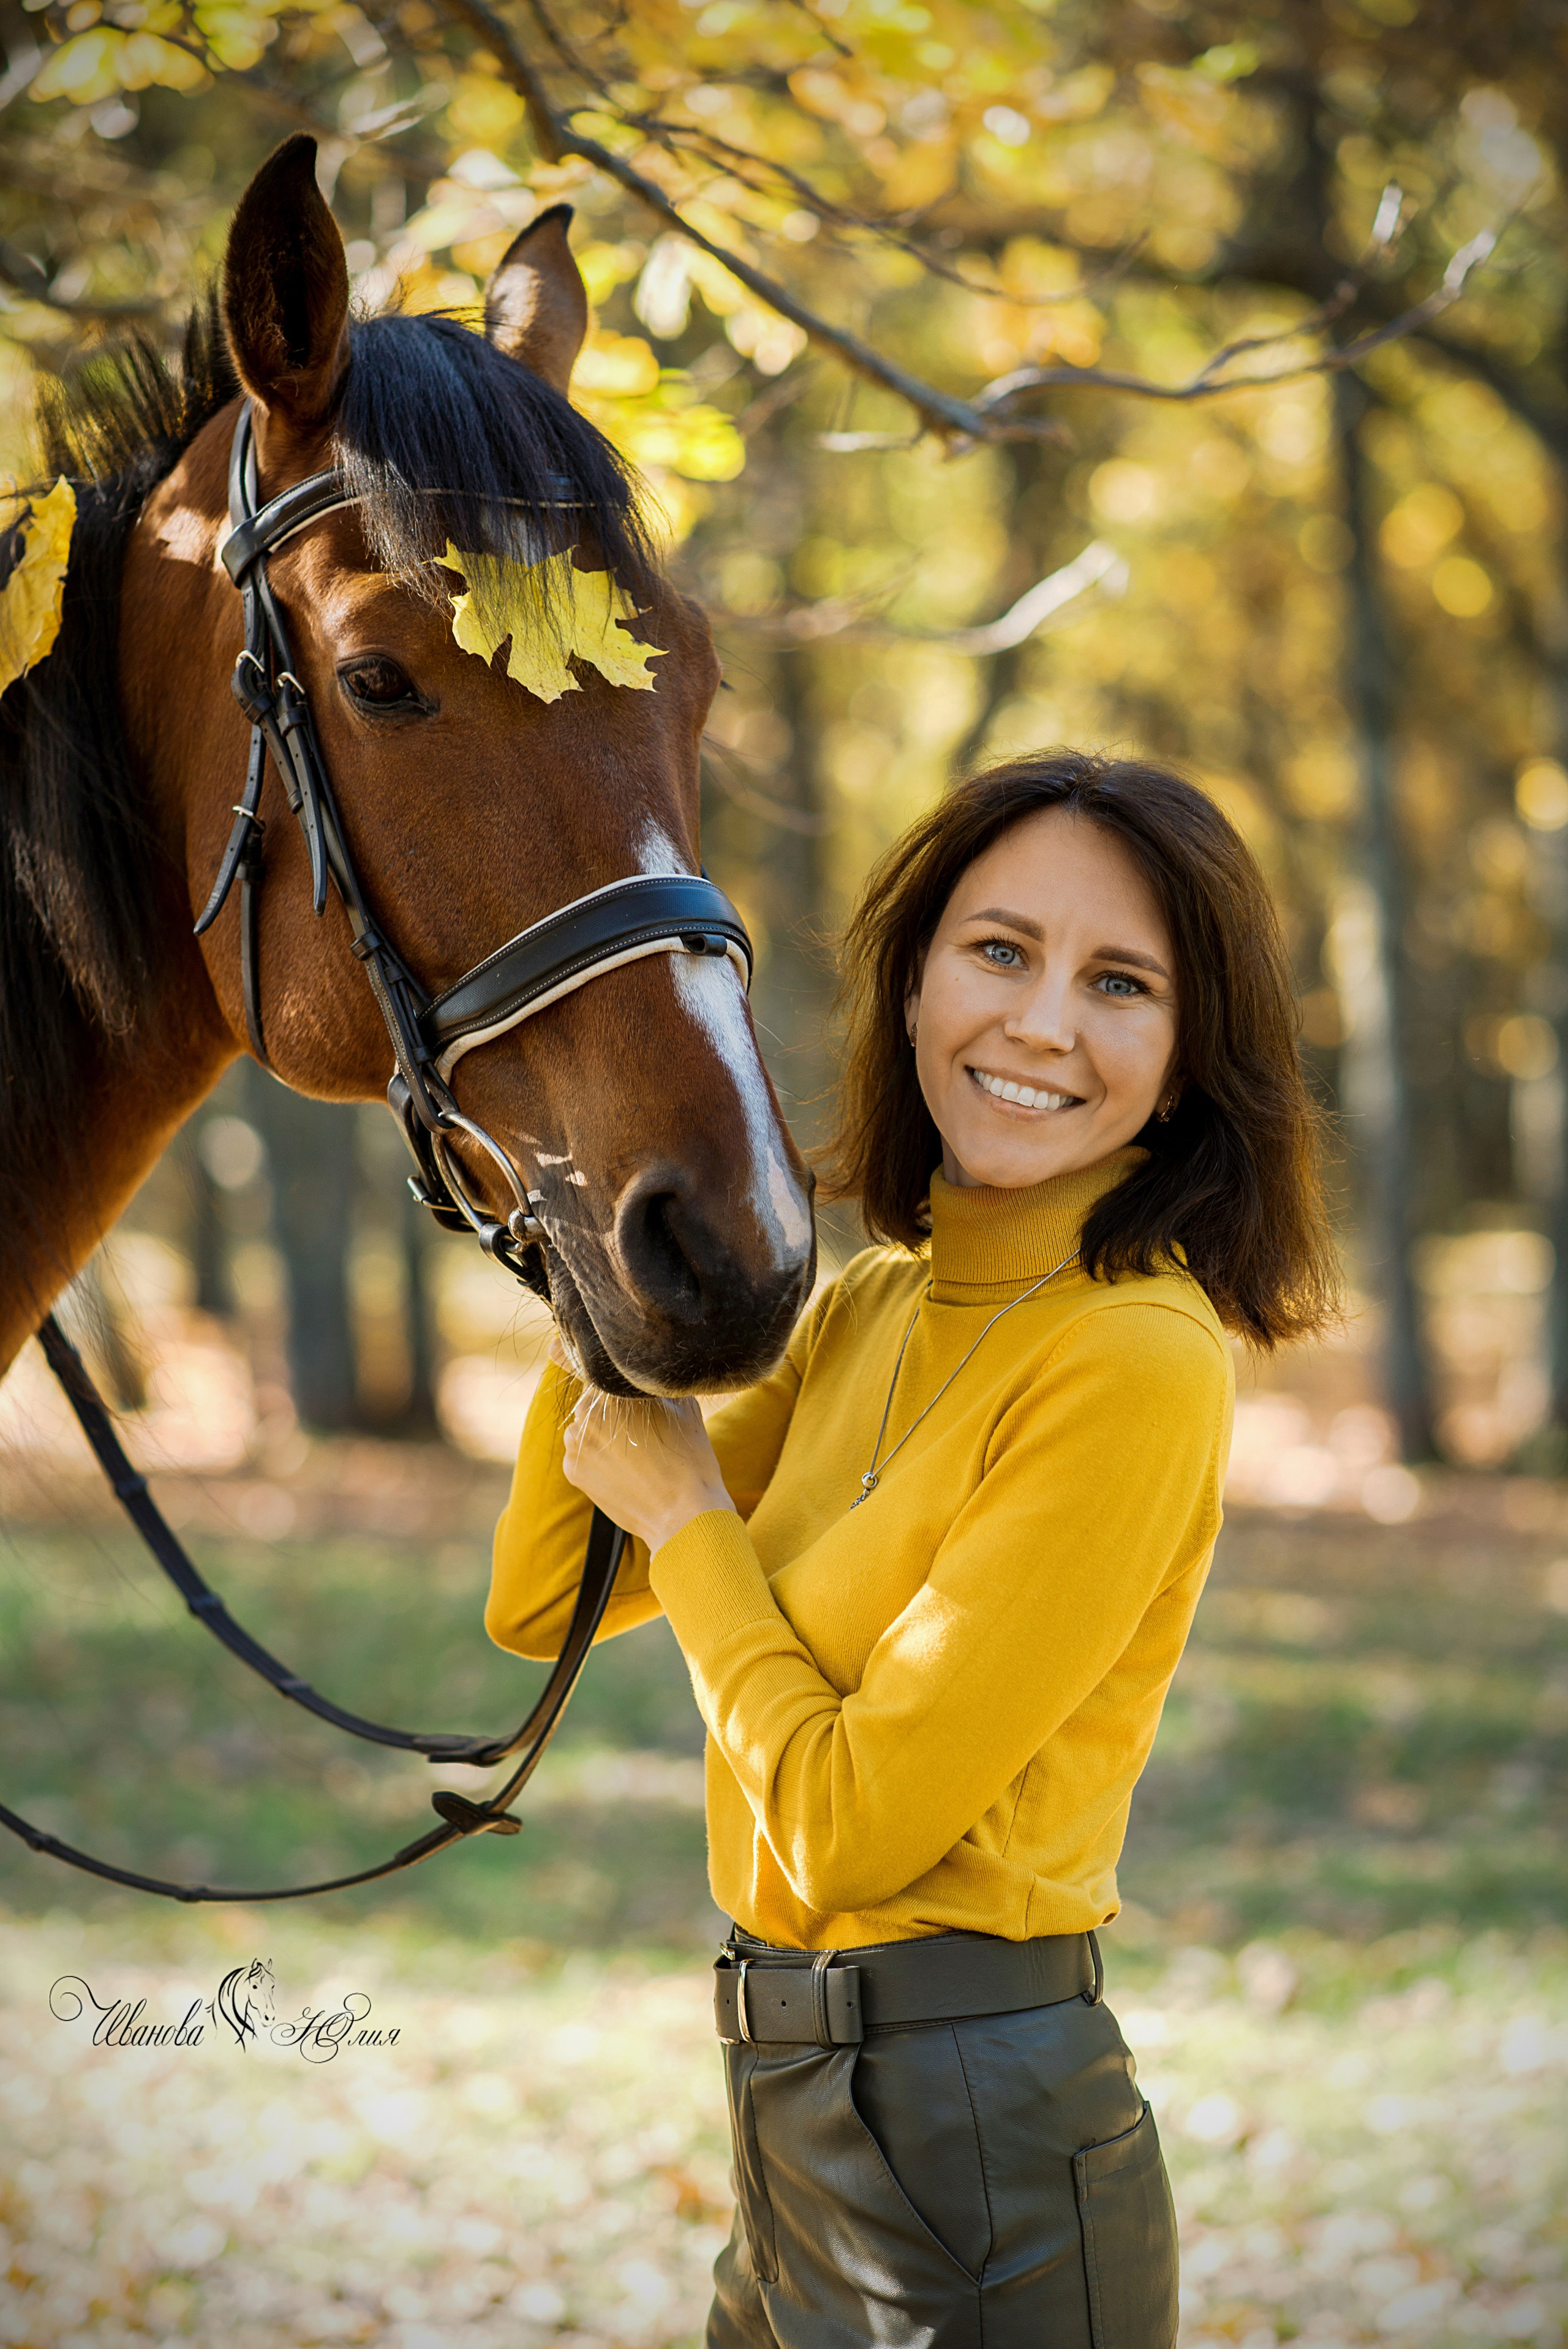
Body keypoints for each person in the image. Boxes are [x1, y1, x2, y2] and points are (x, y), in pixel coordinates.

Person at [486, 751, 1339, 2348]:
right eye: (1000, 950)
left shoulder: (1138, 1360)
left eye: (1120, 982)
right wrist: (591, 1236)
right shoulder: (872, 1301)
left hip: (981, 2156)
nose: (1038, 1023)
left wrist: (695, 1524)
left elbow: (849, 1826)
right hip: (789, 2114)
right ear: (919, 974)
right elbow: (543, 1597)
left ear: (1187, 1055)